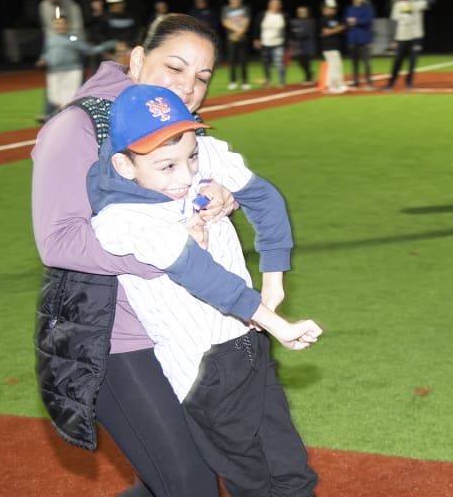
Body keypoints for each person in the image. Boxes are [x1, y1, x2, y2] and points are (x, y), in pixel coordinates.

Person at [32, 13, 247, 497]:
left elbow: (189, 196)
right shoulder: (79, 126)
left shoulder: (177, 125)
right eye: (175, 68)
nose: (189, 87)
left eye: (202, 77)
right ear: (136, 60)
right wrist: (167, 254)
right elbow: (59, 240)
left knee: (164, 483)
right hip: (114, 334)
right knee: (188, 483)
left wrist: (221, 196)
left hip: (177, 329)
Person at [88, 83, 321, 497]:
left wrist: (273, 282)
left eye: (191, 156)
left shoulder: (193, 162)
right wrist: (274, 321)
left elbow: (265, 200)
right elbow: (199, 273)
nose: (187, 174)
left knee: (292, 472)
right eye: (168, 166)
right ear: (125, 166)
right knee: (253, 482)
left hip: (250, 344)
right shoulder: (120, 219)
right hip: (206, 371)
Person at [35, 15, 118, 123]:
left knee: (70, 97)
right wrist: (43, 59)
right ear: (53, 25)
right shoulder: (50, 39)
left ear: (67, 25)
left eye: (62, 23)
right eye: (57, 24)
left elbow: (90, 50)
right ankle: (57, 116)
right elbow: (46, 53)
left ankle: (71, 119)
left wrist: (109, 44)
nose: (59, 26)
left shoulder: (72, 38)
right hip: (53, 72)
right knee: (53, 97)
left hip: (72, 71)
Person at [381, 0, 436, 90]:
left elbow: (433, 1)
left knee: (412, 62)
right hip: (402, 37)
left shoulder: (419, 3)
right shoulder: (397, 5)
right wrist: (394, 39)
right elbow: (395, 22)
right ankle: (390, 83)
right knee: (397, 61)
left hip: (416, 37)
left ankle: (409, 83)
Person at [344, 0, 376, 90]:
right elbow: (345, 21)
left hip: (364, 39)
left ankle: (369, 83)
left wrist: (355, 21)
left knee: (366, 62)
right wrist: (348, 22)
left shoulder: (367, 7)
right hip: (352, 38)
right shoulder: (349, 8)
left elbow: (368, 20)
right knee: (354, 62)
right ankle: (356, 81)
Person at [222, 0, 252, 90]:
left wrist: (240, 32)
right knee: (232, 61)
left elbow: (246, 21)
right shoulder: (226, 9)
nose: (235, 0)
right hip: (231, 39)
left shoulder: (245, 8)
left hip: (242, 38)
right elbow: (225, 22)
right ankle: (233, 81)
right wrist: (237, 30)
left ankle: (245, 82)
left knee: (243, 60)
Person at [254, 0, 288, 88]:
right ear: (269, 5)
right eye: (273, 3)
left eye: (277, 4)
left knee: (279, 63)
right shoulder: (262, 15)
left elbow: (288, 30)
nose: (275, 5)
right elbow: (257, 27)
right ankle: (268, 81)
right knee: (266, 63)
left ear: (280, 5)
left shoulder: (283, 16)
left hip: (279, 43)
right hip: (265, 43)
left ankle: (282, 82)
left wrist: (288, 43)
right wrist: (256, 39)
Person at [318, 0, 348, 94]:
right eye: (330, 8)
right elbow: (325, 31)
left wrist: (341, 28)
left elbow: (339, 29)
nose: (333, 9)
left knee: (335, 65)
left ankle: (333, 85)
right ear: (325, 8)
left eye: (334, 8)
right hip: (328, 45)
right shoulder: (323, 19)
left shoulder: (335, 19)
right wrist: (340, 28)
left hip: (335, 45)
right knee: (334, 66)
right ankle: (335, 85)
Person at [289, 5, 318, 85]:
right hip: (299, 47)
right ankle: (309, 76)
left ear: (307, 13)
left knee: (306, 62)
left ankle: (309, 78)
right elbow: (292, 32)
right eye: (300, 12)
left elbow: (304, 33)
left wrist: (295, 33)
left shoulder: (310, 22)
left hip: (308, 46)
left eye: (303, 12)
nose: (302, 13)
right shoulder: (296, 21)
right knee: (301, 62)